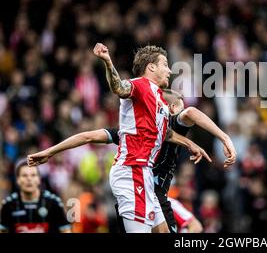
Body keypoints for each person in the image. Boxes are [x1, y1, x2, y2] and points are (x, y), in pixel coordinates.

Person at [28, 89, 236, 233]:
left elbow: (87, 136)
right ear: (172, 107)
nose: (184, 109)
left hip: (138, 193)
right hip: (149, 193)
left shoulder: (133, 132)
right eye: (180, 104)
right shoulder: (171, 121)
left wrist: (50, 151)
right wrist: (225, 137)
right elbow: (191, 113)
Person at [94, 42, 209, 233]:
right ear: (151, 67)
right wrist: (108, 61)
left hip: (144, 174)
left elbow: (166, 133)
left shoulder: (160, 101)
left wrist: (190, 144)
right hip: (132, 170)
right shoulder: (140, 85)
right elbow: (119, 88)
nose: (170, 70)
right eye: (165, 64)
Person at [0, 159, 71, 233]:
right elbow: (3, 230)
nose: (29, 179)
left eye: (33, 175)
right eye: (24, 175)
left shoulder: (53, 202)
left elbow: (65, 230)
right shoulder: (8, 204)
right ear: (17, 180)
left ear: (39, 179)